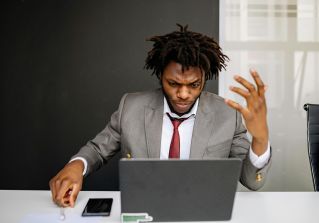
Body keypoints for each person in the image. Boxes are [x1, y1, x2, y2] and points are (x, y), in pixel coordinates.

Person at [49, 24, 271, 207]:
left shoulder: (227, 113)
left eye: (194, 85)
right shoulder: (131, 107)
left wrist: (260, 138)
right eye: (173, 83)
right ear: (160, 76)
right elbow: (98, 149)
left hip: (202, 214)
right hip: (144, 211)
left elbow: (252, 181)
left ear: (205, 78)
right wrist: (75, 166)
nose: (183, 94)